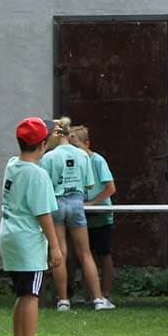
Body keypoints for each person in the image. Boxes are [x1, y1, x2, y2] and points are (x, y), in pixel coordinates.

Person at [0, 117, 65, 336]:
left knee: (23, 292)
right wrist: (55, 247)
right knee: (31, 295)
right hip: (28, 240)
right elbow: (43, 214)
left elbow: (31, 140)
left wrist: (47, 127)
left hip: (10, 235)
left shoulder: (12, 164)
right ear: (43, 145)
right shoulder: (37, 175)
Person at [41, 118, 115, 312]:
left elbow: (44, 184)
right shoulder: (83, 155)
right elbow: (89, 184)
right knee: (85, 252)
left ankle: (63, 300)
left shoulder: (49, 157)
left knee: (60, 252)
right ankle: (98, 299)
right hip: (76, 202)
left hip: (56, 202)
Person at [69, 126, 117, 299]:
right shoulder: (74, 162)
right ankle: (86, 292)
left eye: (77, 146)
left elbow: (110, 188)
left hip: (101, 215)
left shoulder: (97, 161)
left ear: (87, 144)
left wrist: (93, 203)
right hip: (82, 215)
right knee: (83, 254)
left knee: (103, 253)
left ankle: (105, 292)